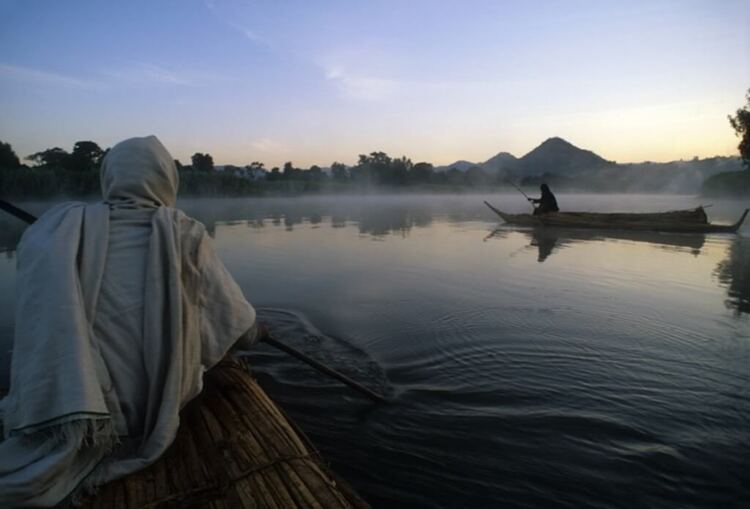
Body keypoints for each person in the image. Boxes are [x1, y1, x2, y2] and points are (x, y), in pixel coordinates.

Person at [0, 136, 265, 507]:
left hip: (73, 408)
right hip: (144, 416)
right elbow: (241, 330)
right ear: (166, 180)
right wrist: (261, 330)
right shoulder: (186, 234)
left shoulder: (60, 230)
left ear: (111, 178)